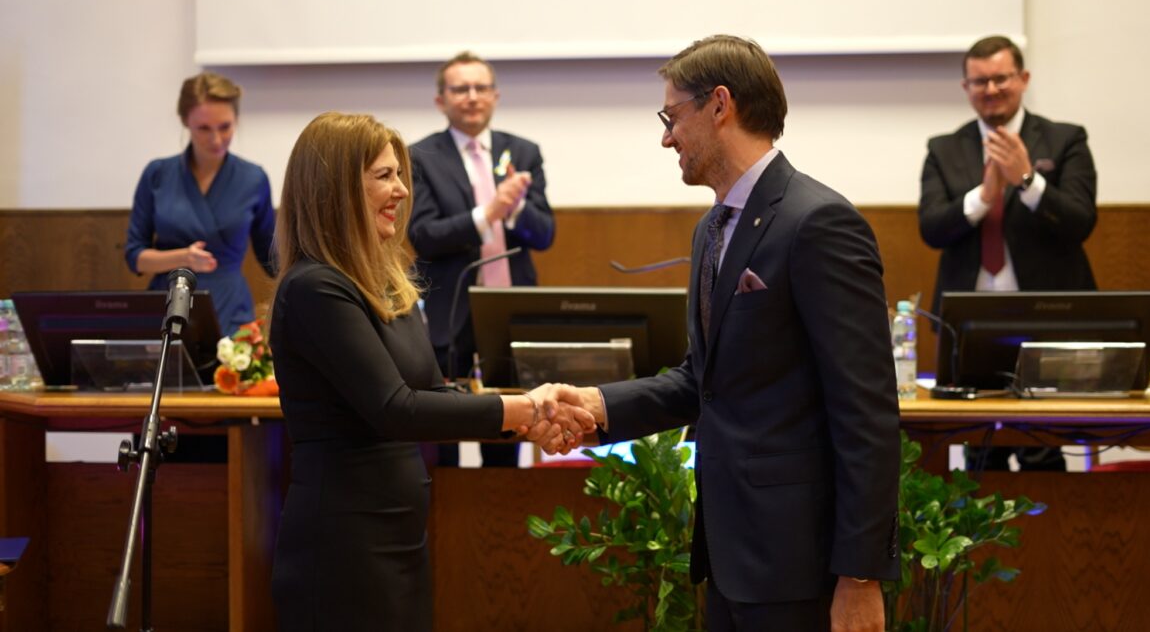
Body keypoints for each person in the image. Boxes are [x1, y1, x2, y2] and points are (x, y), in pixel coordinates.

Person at [545, 35, 900, 631]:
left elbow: (866, 413)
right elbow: (702, 382)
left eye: (671, 117)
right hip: (730, 557)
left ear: (719, 104)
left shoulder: (818, 222)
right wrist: (596, 404)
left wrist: (861, 577)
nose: (666, 138)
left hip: (802, 566)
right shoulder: (712, 227)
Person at [267, 112, 592, 631]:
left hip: (398, 532)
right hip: (343, 544)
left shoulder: (385, 283)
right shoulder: (315, 288)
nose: (401, 190)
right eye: (384, 176)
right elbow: (396, 409)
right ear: (336, 189)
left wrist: (528, 423)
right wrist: (525, 408)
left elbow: (435, 394)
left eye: (400, 175)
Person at [918, 35, 1098, 472]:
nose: (991, 89)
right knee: (980, 456)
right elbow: (932, 229)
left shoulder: (1065, 139)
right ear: (966, 87)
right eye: (980, 82)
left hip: (1049, 317)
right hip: (971, 323)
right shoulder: (944, 148)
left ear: (1023, 79)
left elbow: (1081, 221)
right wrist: (983, 197)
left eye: (1001, 78)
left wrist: (1028, 181)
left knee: (1045, 451)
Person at [408, 51, 556, 467]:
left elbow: (545, 234)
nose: (472, 97)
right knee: (443, 431)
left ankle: (501, 505)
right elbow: (422, 235)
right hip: (449, 309)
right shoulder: (420, 156)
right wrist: (487, 213)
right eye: (460, 89)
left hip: (509, 308)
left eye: (480, 88)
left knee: (509, 424)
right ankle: (445, 507)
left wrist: (514, 208)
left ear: (495, 96)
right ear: (441, 100)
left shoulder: (522, 152)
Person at [124, 71, 276, 337]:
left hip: (231, 309)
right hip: (169, 304)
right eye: (204, 128)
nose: (216, 139)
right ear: (185, 121)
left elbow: (272, 259)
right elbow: (135, 257)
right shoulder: (157, 174)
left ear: (236, 120)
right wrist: (184, 258)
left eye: (225, 127)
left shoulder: (253, 179)